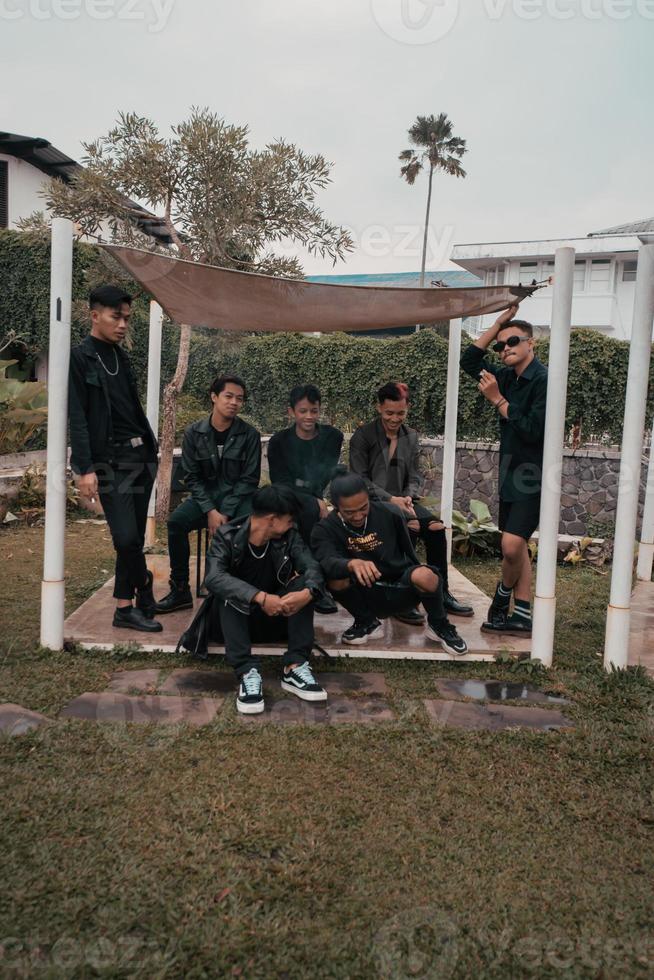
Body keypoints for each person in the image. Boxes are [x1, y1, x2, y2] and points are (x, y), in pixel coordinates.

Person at [68, 285, 161, 632]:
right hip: (109, 461)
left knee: (134, 536)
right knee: (125, 538)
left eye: (126, 318)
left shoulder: (120, 357)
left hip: (141, 457)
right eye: (115, 316)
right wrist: (85, 467)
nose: (122, 324)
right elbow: (77, 415)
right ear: (95, 316)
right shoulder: (79, 358)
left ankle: (125, 608)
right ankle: (144, 583)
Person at [348, 381, 473, 622]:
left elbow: (415, 475)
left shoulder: (411, 437)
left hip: (404, 502)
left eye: (401, 413)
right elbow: (359, 480)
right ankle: (402, 599)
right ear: (378, 408)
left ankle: (441, 593)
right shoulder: (363, 437)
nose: (395, 419)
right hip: (371, 504)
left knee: (436, 528)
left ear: (408, 408)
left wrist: (407, 496)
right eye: (389, 413)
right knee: (409, 526)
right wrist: (390, 499)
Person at [460, 305, 547, 635]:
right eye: (500, 345)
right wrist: (497, 322)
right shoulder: (507, 377)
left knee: (511, 545)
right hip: (510, 469)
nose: (505, 348)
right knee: (517, 543)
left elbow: (533, 430)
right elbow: (469, 361)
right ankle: (522, 614)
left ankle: (502, 597)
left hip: (536, 471)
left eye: (512, 341)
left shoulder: (543, 380)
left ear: (530, 344)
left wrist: (498, 400)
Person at [311, 473, 468, 655]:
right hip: (365, 591)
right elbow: (326, 560)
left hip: (400, 586)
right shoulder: (324, 529)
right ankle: (366, 622)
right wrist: (351, 563)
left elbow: (413, 545)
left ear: (369, 499)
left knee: (426, 575)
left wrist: (423, 524)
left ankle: (439, 624)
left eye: (363, 508)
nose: (358, 516)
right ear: (336, 507)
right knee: (335, 578)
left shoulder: (388, 512)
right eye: (349, 512)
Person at [204, 485, 328, 714]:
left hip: (276, 618)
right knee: (228, 589)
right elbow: (213, 578)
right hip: (233, 624)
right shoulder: (227, 535)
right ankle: (246, 672)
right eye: (289, 520)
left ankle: (295, 666)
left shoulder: (289, 536)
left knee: (304, 585)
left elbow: (312, 566)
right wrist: (260, 598)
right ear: (272, 519)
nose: (292, 524)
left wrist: (308, 593)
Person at [155, 375, 261, 613]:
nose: (234, 402)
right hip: (205, 501)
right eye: (228, 396)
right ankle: (180, 588)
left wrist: (225, 511)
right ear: (214, 397)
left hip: (238, 501)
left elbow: (249, 480)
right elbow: (192, 476)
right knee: (176, 522)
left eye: (239, 399)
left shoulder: (250, 435)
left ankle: (242, 589)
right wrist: (210, 510)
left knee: (251, 526)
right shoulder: (194, 432)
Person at [267, 383, 343, 614]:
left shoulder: (332, 437)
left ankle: (316, 583)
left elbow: (324, 473)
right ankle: (313, 585)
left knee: (320, 518)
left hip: (314, 497)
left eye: (314, 410)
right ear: (291, 412)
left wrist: (315, 496)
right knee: (310, 511)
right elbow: (280, 482)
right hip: (286, 498)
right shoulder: (279, 442)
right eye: (303, 411)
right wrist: (314, 498)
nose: (309, 416)